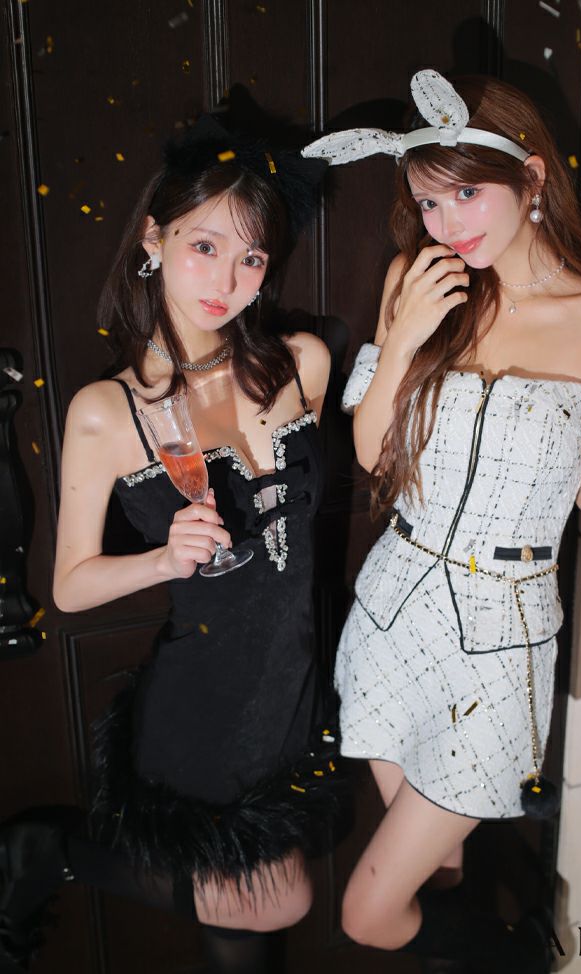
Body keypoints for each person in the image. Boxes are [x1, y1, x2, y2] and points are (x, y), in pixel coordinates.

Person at [302, 69, 581, 972]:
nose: (446, 223)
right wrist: (406, 335)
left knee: (369, 912)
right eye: (427, 201)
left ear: (531, 177)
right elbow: (373, 454)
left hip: (503, 633)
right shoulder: (422, 282)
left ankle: (519, 957)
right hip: (392, 612)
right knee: (439, 864)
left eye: (465, 194)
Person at [0, 110, 342, 974]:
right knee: (264, 909)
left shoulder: (301, 363)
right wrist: (163, 557)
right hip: (205, 700)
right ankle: (53, 852)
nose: (226, 280)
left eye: (252, 257)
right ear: (155, 240)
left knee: (252, 926)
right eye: (205, 246)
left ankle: (53, 853)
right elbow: (70, 586)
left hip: (293, 687)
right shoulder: (107, 412)